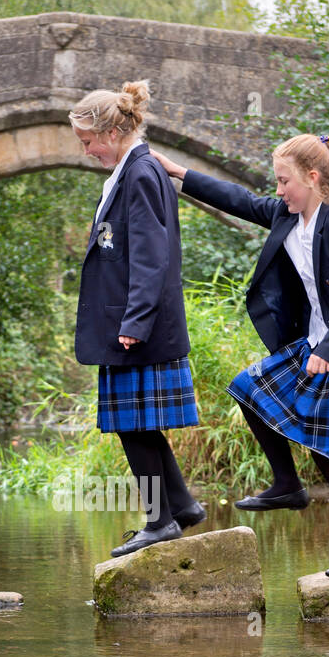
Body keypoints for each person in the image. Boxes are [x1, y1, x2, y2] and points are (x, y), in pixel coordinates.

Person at [151, 135, 329, 577]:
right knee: (248, 388)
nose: (278, 191)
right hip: (313, 343)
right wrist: (179, 172)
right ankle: (287, 485)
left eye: (284, 181)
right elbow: (238, 199)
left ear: (312, 178)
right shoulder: (287, 216)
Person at [70, 80, 205, 557]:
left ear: (109, 132)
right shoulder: (134, 171)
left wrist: (135, 322)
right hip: (128, 321)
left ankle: (158, 520)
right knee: (138, 425)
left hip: (135, 326)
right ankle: (180, 506)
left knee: (133, 426)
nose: (86, 151)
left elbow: (152, 257)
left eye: (87, 142)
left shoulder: (142, 173)